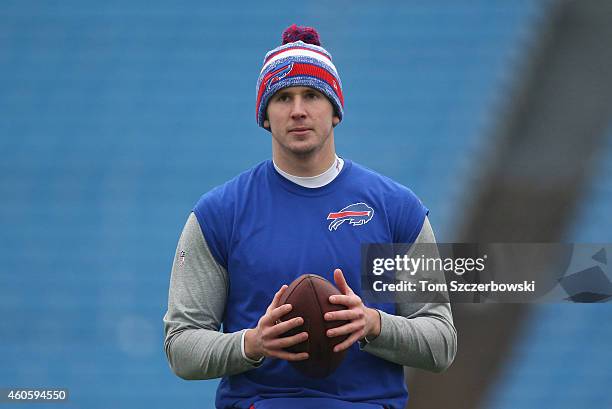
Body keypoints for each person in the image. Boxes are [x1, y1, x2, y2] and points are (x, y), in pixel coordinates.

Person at [163, 24, 457, 409]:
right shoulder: (220, 213)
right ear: (265, 115)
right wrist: (251, 343)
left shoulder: (395, 209)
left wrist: (374, 324)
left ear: (334, 110)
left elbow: (441, 343)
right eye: (283, 97)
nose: (298, 110)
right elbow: (181, 345)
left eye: (312, 95)